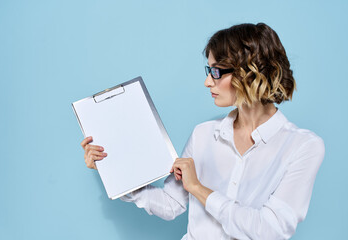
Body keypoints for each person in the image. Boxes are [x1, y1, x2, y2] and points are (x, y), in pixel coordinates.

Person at [80, 23, 325, 240]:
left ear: (249, 72)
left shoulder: (303, 146)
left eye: (216, 72)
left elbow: (270, 230)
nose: (208, 82)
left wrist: (198, 188)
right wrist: (114, 171)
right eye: (208, 72)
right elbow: (171, 204)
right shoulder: (203, 134)